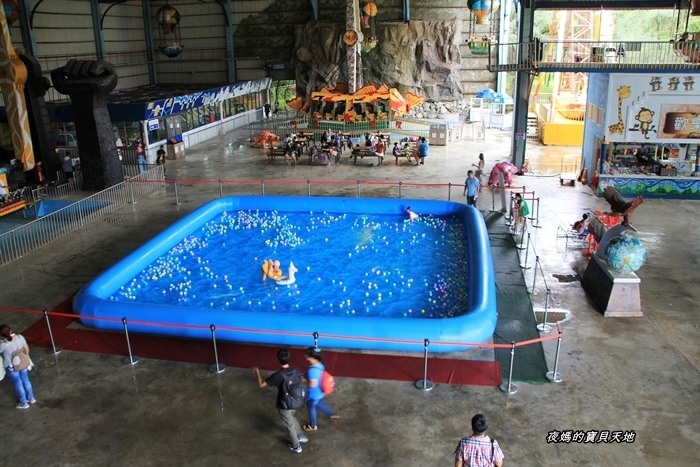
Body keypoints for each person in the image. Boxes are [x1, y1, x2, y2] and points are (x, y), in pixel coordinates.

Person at [252, 350, 309, 454]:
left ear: (278, 360)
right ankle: (300, 435)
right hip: (297, 401)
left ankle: (296, 446)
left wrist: (256, 372)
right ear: (289, 358)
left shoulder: (278, 375)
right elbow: (302, 379)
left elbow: (261, 384)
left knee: (289, 425)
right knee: (292, 417)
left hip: (285, 404)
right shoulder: (296, 371)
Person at [303, 347, 340, 432]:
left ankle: (313, 426)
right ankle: (332, 415)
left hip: (313, 395)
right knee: (319, 403)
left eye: (307, 357)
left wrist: (305, 381)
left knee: (311, 409)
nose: (307, 358)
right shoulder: (321, 364)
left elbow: (313, 384)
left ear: (312, 357)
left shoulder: (312, 370)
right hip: (321, 392)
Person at [0, 324, 36, 409]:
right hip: (23, 364)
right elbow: (26, 348)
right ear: (10, 330)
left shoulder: (3, 345)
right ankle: (31, 398)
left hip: (11, 367)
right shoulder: (20, 337)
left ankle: (24, 403)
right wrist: (26, 357)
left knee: (18, 383)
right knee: (26, 380)